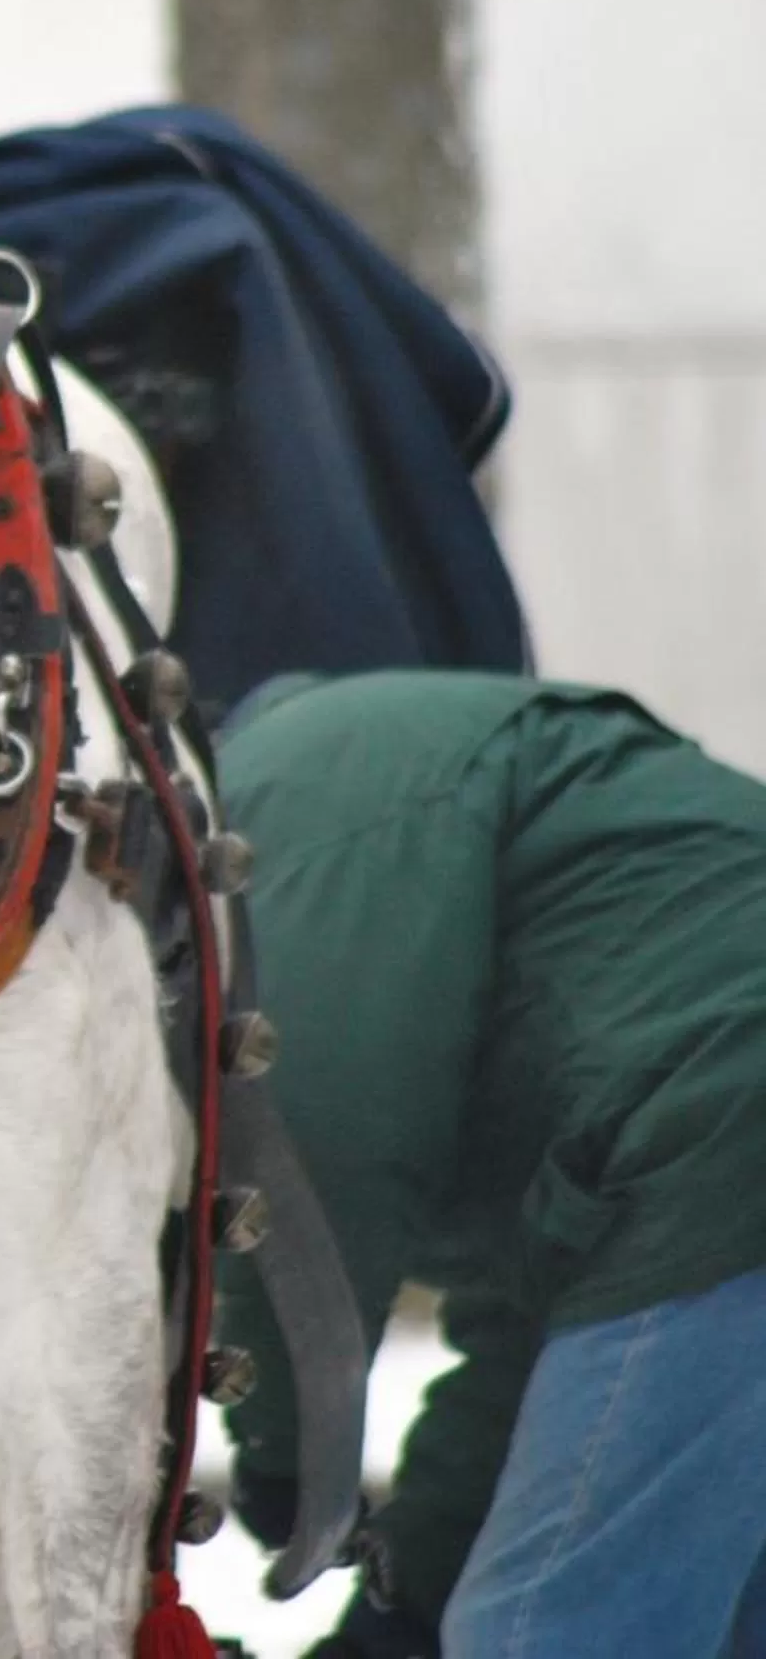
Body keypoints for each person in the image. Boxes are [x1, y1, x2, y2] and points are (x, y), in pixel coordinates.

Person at [210, 670, 766, 1659]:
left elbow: (312, 1132)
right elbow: (540, 1347)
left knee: (542, 1633)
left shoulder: (284, 785)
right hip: (708, 1156)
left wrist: (285, 1434)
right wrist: (409, 1601)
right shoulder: (579, 1037)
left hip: (725, 1135)